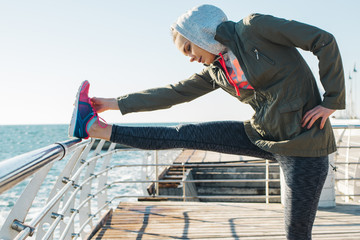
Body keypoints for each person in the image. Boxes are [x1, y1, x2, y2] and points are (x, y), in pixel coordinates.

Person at [68, 4, 345, 240]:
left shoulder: (254, 28)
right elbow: (172, 93)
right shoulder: (216, 71)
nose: (189, 58)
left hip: (304, 146)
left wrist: (332, 100)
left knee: (296, 233)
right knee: (183, 133)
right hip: (261, 135)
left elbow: (323, 39)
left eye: (188, 47)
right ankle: (96, 128)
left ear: (202, 32)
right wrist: (113, 103)